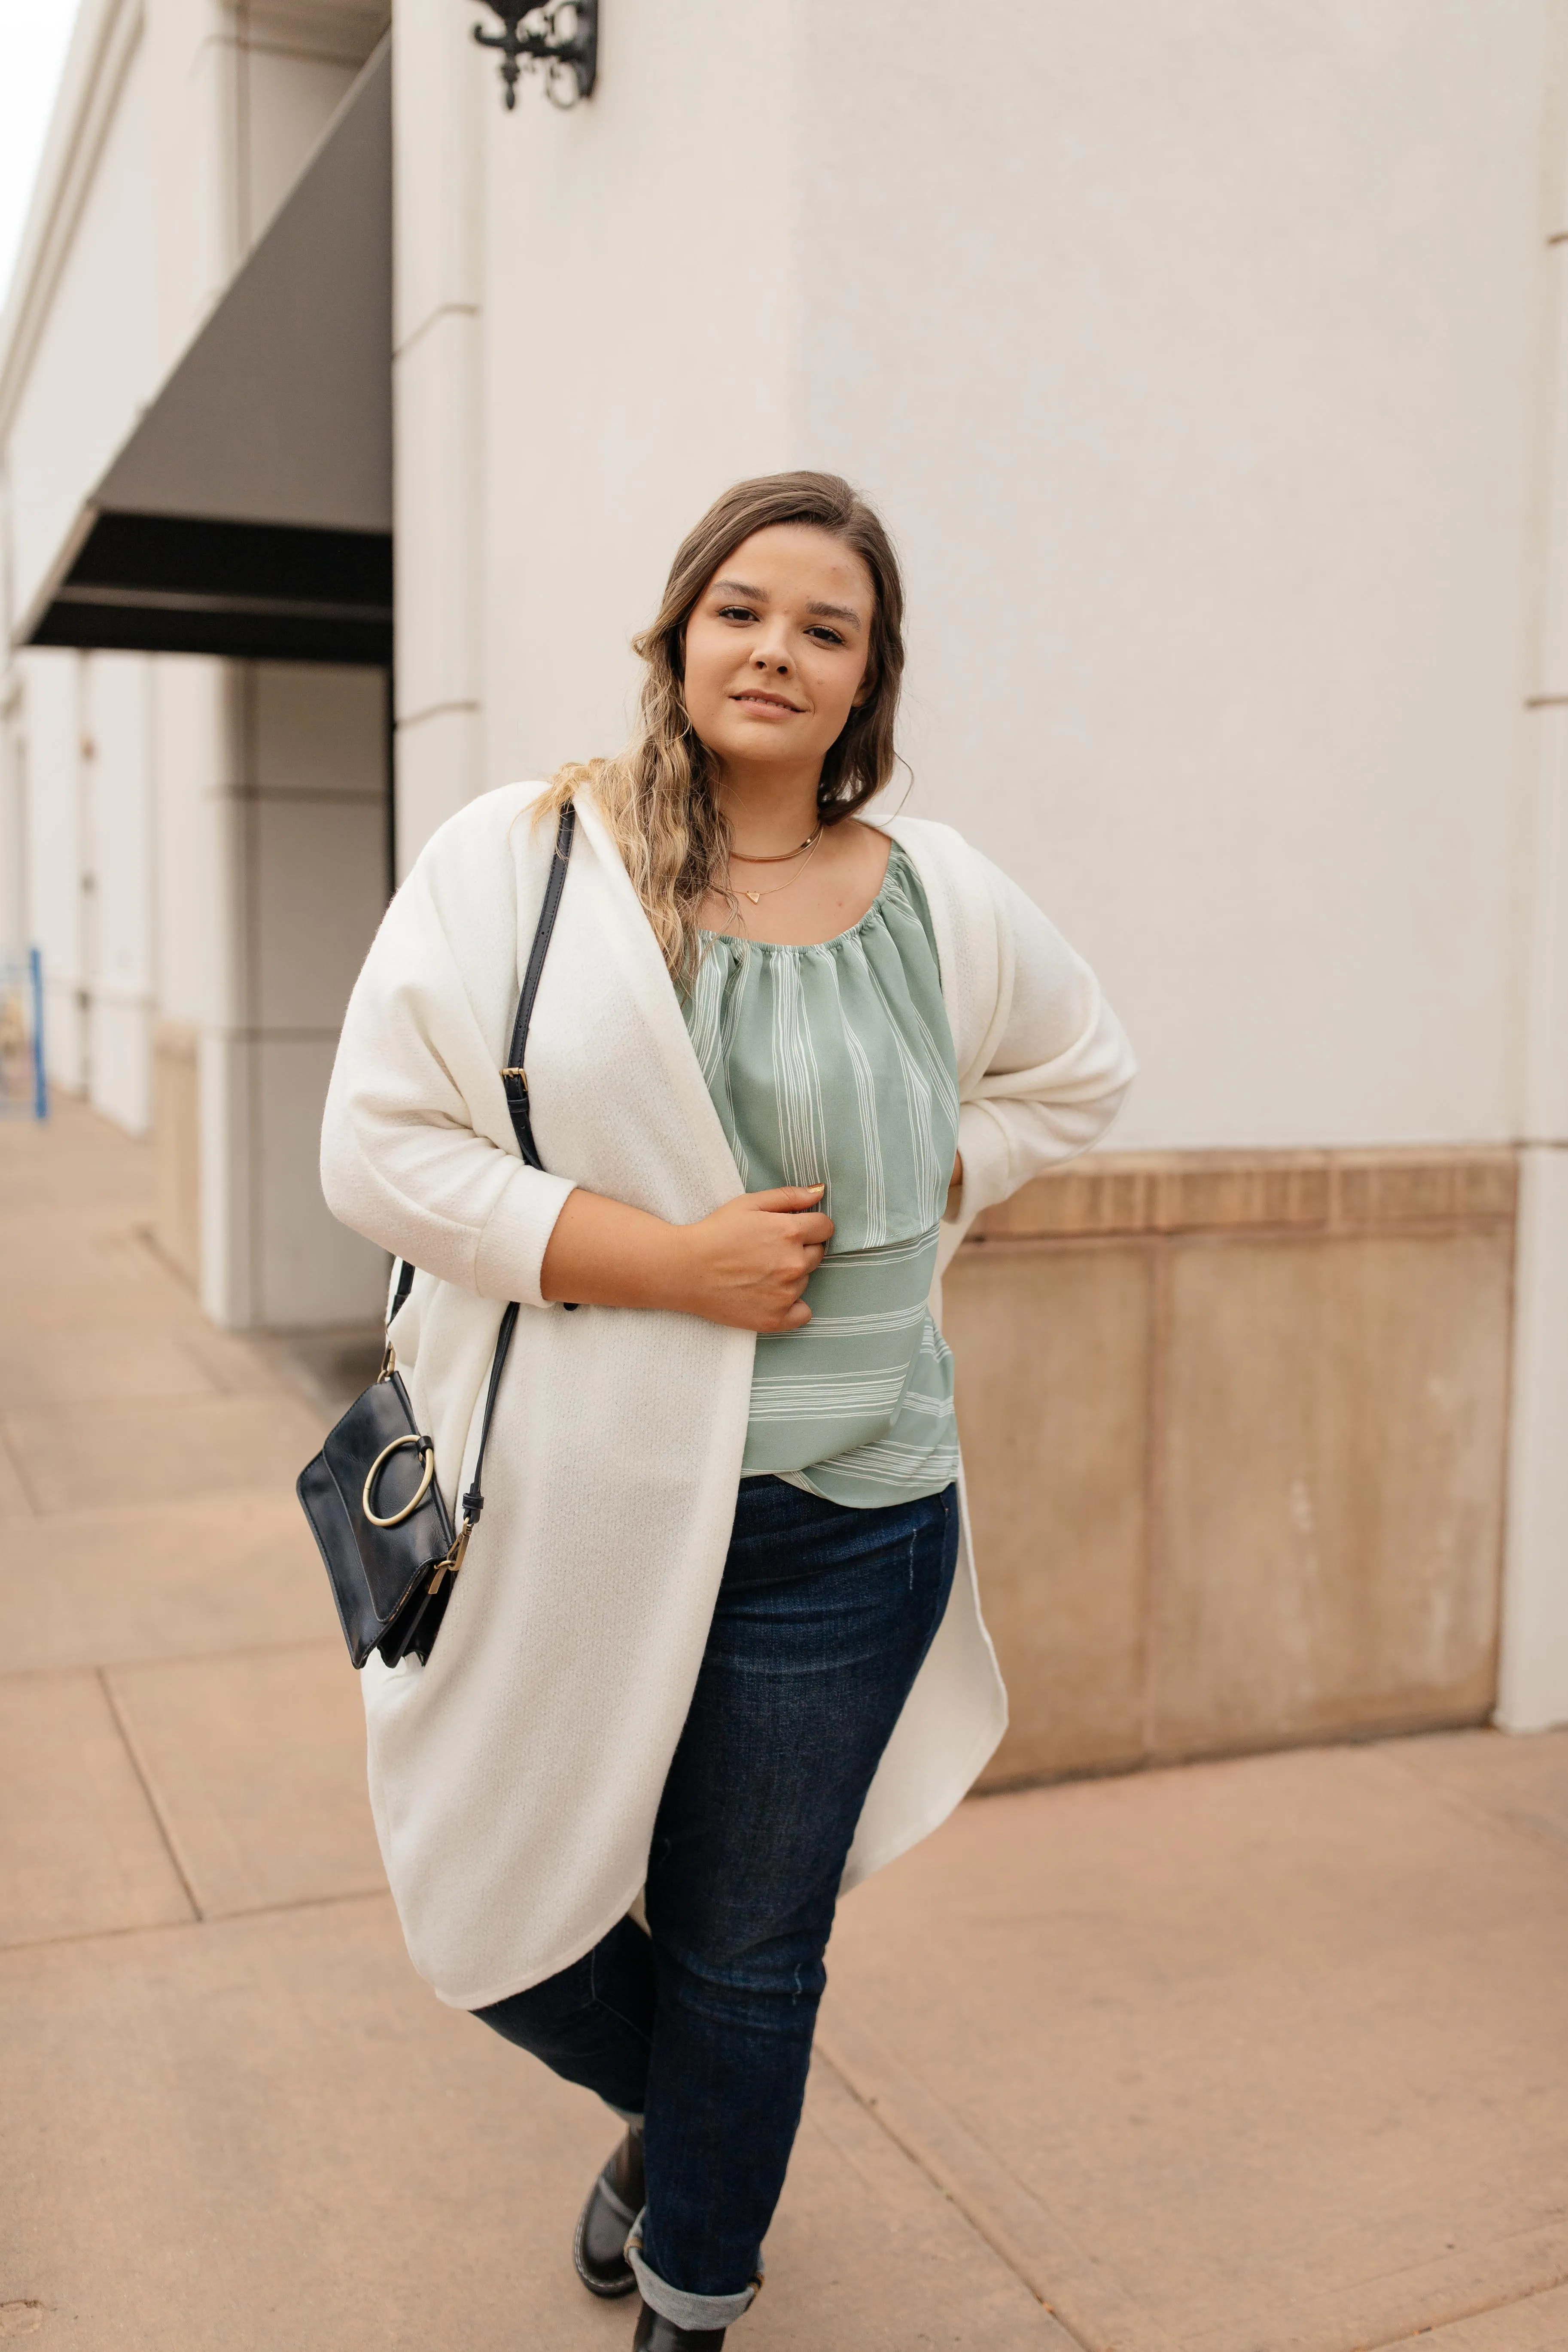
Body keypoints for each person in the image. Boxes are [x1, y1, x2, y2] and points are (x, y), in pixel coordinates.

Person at [320, 471, 1134, 2347]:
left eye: (826, 629)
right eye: (745, 609)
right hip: (576, 1514)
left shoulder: (943, 897)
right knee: (492, 1910)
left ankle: (698, 2276)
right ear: (682, 632)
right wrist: (655, 1259)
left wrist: (943, 1166)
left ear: (869, 686)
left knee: (753, 1952)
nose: (778, 649)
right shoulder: (524, 860)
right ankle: (678, 2117)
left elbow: (1085, 1075)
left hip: (853, 1521)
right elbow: (378, 1144)